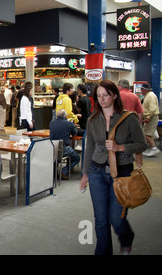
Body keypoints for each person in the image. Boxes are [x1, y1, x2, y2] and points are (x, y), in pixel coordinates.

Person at [80, 80, 147, 255]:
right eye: (99, 95)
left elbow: (142, 144)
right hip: (97, 173)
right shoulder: (93, 120)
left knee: (117, 219)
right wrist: (85, 173)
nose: (102, 99)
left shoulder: (129, 118)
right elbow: (90, 148)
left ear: (114, 95)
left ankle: (126, 239)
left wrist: (121, 147)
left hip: (122, 173)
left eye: (106, 95)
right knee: (101, 221)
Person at [49, 109, 80, 179]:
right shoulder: (69, 124)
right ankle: (64, 171)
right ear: (65, 116)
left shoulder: (51, 123)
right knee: (76, 158)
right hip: (64, 148)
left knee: (57, 157)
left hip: (52, 148)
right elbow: (74, 134)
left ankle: (53, 172)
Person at [140, 83, 160, 157]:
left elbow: (152, 108)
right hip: (151, 116)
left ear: (145, 89)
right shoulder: (148, 95)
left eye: (142, 89)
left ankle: (153, 148)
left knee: (146, 134)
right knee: (149, 134)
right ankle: (153, 148)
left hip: (151, 117)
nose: (141, 91)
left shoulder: (150, 96)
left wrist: (148, 117)